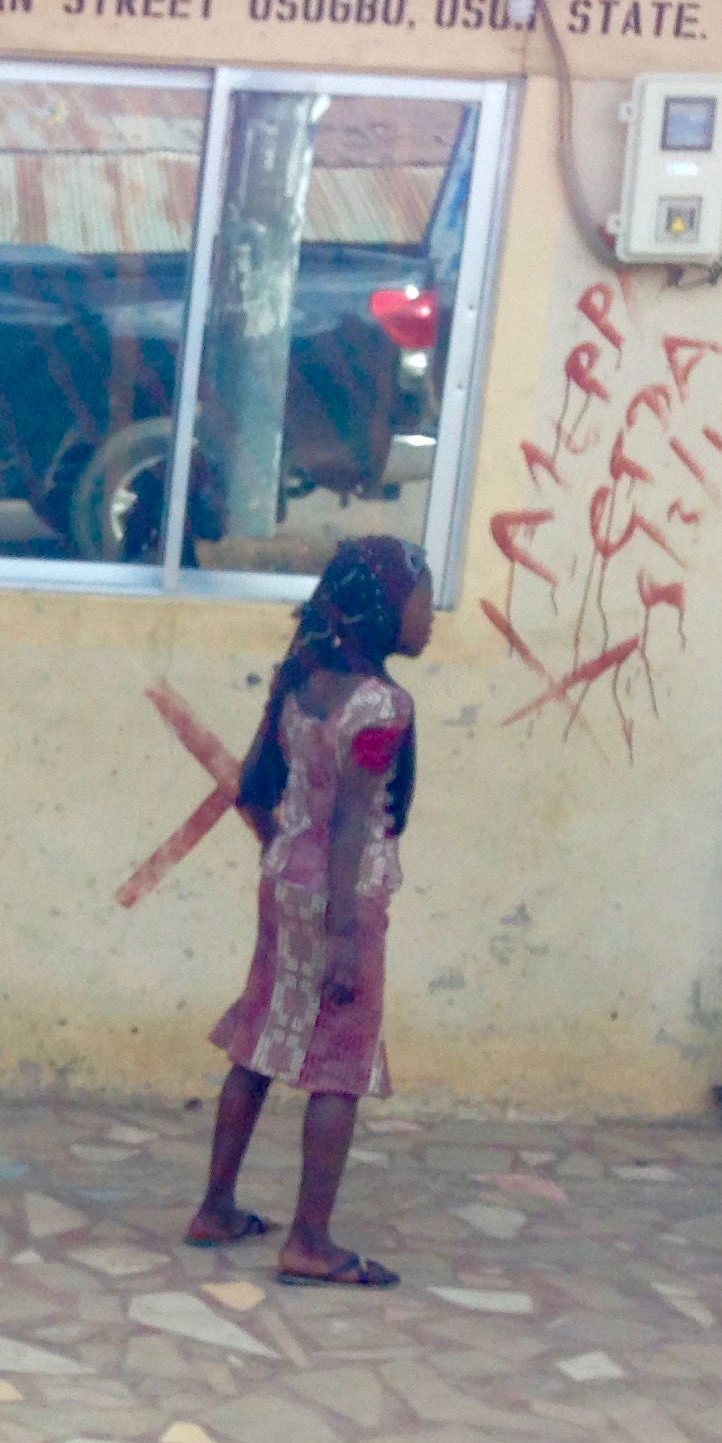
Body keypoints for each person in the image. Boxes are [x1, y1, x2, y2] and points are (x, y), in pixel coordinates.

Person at [182, 535, 435, 1287]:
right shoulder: (383, 706)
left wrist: (287, 860)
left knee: (261, 1041)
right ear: (385, 608)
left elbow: (255, 787)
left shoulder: (299, 682)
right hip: (344, 900)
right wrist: (345, 936)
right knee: (339, 1069)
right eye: (422, 602)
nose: (431, 619)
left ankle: (216, 1206)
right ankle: (310, 1242)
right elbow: (358, 822)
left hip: (284, 884)